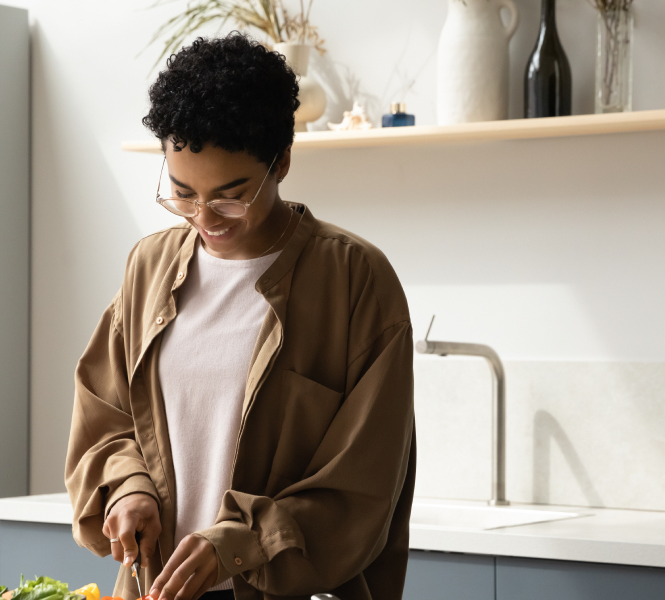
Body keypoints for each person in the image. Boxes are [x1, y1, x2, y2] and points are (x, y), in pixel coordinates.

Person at [66, 32, 415, 600]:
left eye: (232, 195)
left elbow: (363, 488)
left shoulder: (355, 280)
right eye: (182, 193)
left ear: (281, 162)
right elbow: (104, 416)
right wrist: (128, 487)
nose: (205, 217)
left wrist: (234, 545)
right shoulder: (149, 267)